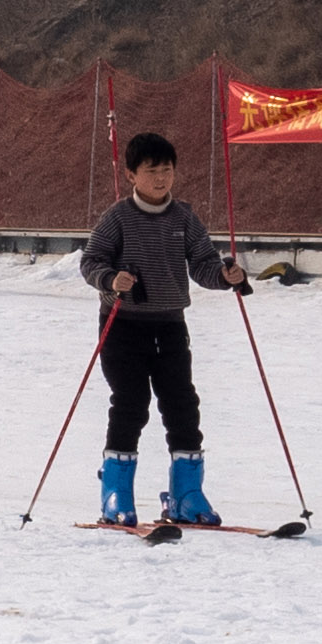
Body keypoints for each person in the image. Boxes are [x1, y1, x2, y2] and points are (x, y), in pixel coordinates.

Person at [80, 131, 246, 527]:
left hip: (170, 325)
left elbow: (204, 264)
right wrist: (109, 278)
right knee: (131, 404)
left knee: (182, 406)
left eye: (167, 170)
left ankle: (186, 495)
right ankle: (115, 494)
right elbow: (91, 261)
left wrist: (228, 276)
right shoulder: (118, 216)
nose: (161, 179)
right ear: (132, 174)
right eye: (151, 171)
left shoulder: (184, 217)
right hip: (123, 327)